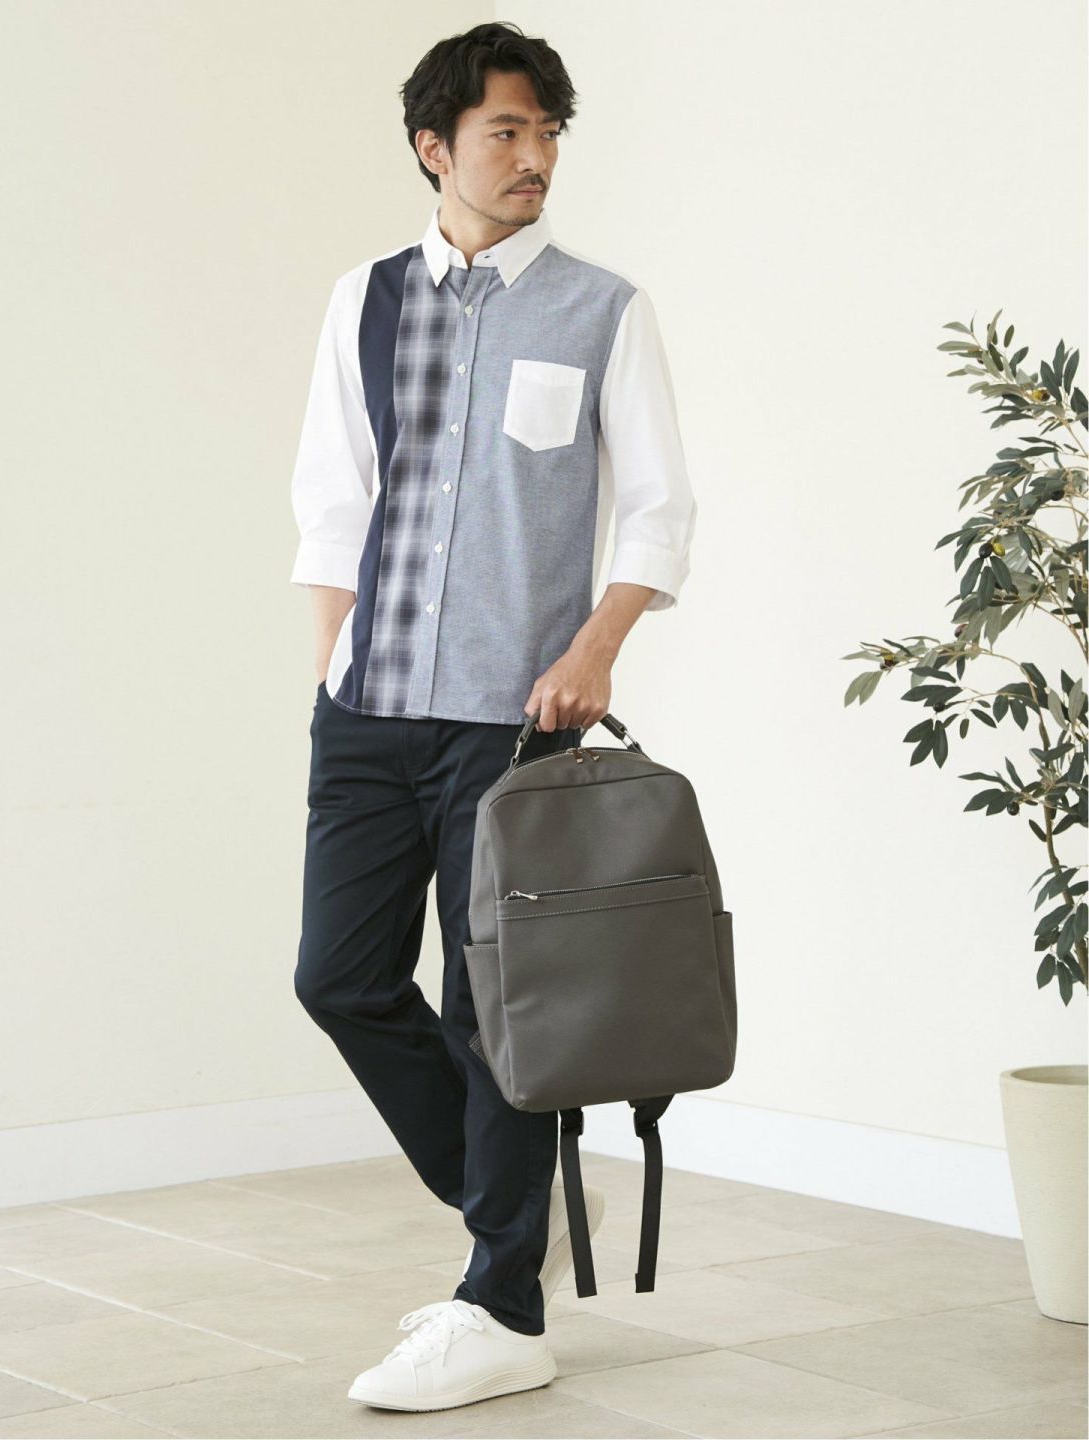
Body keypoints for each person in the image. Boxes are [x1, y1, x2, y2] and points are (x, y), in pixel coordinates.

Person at [289, 20, 698, 1414]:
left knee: (495, 1013)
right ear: (435, 148)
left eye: (547, 133)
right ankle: (510, 1218)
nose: (535, 157)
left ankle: (503, 1304)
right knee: (339, 978)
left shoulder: (602, 309)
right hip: (367, 708)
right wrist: (335, 663)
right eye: (506, 133)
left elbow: (658, 510)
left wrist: (595, 648)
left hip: (513, 727)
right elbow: (333, 498)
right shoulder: (364, 300)